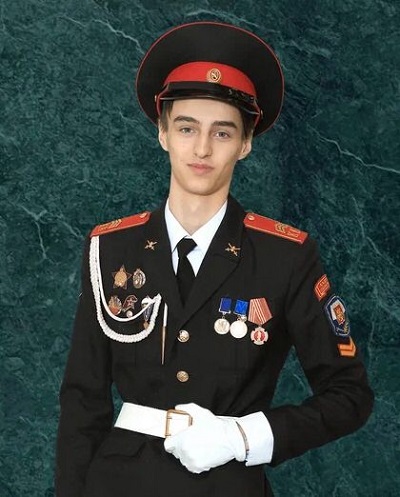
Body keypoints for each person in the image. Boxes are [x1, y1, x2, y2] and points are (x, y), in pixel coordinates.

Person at [55, 21, 374, 497]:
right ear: (163, 133)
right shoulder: (110, 248)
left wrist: (242, 437)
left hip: (229, 484)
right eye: (187, 128)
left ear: (245, 144)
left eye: (222, 133)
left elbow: (350, 396)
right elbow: (83, 401)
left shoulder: (285, 257)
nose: (202, 149)